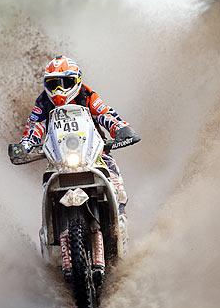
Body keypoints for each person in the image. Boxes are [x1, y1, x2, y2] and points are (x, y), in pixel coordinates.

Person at [18, 55, 140, 260]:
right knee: (46, 186)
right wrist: (24, 146)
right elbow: (33, 128)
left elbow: (107, 114)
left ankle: (120, 231)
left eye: (64, 83)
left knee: (117, 186)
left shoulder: (87, 95)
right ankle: (50, 241)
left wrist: (121, 129)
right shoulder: (43, 103)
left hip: (94, 154)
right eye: (53, 84)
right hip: (59, 161)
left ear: (76, 81)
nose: (58, 90)